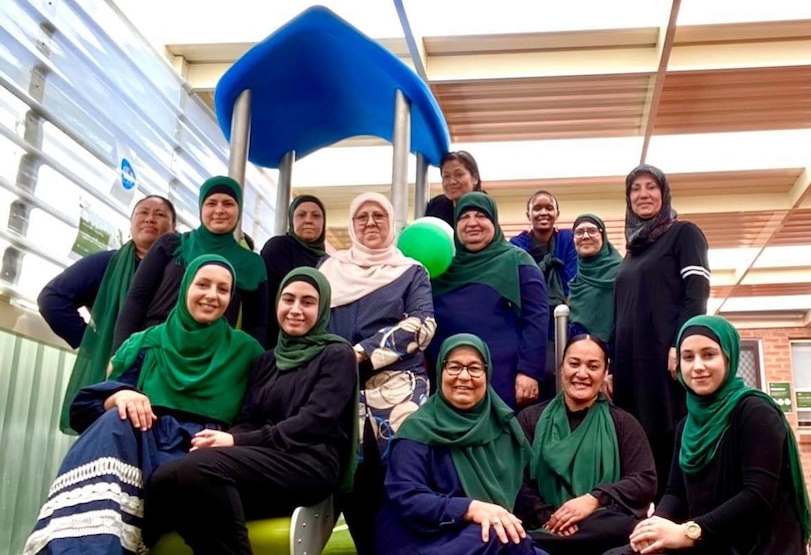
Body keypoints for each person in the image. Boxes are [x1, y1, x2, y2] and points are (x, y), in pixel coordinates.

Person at [23, 255, 264, 555]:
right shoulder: (148, 342)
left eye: (222, 289)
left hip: (199, 453)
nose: (212, 295)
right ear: (186, 287)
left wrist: (231, 439)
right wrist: (121, 395)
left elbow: (259, 415)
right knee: (114, 421)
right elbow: (85, 409)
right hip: (140, 443)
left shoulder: (248, 352)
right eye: (203, 284)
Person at [144, 267, 358, 555]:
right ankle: (140, 544)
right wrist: (215, 442)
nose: (295, 309)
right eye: (288, 299)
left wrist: (234, 442)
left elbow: (314, 422)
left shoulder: (337, 354)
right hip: (263, 461)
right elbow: (248, 419)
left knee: (201, 470)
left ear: (322, 310)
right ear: (277, 304)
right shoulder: (266, 361)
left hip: (309, 462)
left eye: (307, 302)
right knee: (166, 477)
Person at [603, 315, 811, 555]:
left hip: (757, 545)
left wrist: (688, 532)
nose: (697, 366)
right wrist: (655, 529)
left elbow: (757, 496)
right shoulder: (687, 425)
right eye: (688, 357)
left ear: (728, 357)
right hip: (709, 540)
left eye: (708, 355)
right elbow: (676, 492)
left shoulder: (755, 412)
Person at [318, 192, 436, 555]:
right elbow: (312, 323)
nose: (370, 223)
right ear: (352, 225)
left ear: (391, 223)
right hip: (341, 394)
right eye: (362, 217)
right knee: (350, 488)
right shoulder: (328, 271)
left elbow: (422, 325)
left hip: (399, 394)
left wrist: (360, 352)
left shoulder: (411, 271)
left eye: (379, 216)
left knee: (402, 486)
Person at [374, 333, 549, 555]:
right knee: (501, 536)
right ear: (440, 372)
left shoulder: (504, 428)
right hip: (422, 538)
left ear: (487, 374)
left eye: (474, 368)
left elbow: (521, 494)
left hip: (488, 533)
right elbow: (407, 496)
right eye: (454, 367)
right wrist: (469, 508)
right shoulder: (418, 430)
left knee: (515, 540)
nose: (464, 376)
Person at [38, 195, 176, 434]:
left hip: (166, 373)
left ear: (174, 228)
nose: (150, 219)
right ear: (131, 223)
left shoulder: (180, 270)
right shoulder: (106, 264)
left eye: (160, 214)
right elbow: (52, 299)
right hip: (115, 369)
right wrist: (93, 345)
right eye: (142, 213)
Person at [611, 164, 709, 497]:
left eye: (651, 187)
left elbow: (697, 293)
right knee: (634, 439)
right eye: (635, 189)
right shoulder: (631, 252)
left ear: (664, 193)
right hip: (628, 367)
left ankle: (676, 515)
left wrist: (682, 345)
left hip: (662, 360)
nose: (643, 194)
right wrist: (610, 366)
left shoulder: (684, 233)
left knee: (666, 435)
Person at [516, 334, 656, 555]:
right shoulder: (529, 419)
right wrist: (553, 519)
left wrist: (594, 499)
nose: (582, 374)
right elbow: (516, 482)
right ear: (562, 368)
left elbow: (644, 480)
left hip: (603, 528)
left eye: (593, 366)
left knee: (621, 527)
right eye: (574, 364)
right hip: (546, 529)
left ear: (604, 372)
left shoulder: (623, 423)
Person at [113, 176, 268, 350]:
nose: (219, 210)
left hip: (210, 361)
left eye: (228, 204)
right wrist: (120, 353)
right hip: (155, 350)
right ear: (201, 207)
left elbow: (257, 325)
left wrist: (252, 369)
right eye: (211, 203)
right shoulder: (172, 245)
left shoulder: (252, 264)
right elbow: (136, 299)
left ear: (239, 209)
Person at [430, 192, 547, 410]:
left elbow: (536, 318)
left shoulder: (517, 261)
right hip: (448, 381)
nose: (472, 223)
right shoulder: (443, 268)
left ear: (494, 221)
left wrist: (529, 371)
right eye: (464, 217)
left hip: (503, 378)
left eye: (481, 216)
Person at [510, 190, 577, 399]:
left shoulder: (567, 239)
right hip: (529, 321)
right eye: (537, 208)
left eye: (549, 207)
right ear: (528, 214)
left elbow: (571, 282)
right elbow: (522, 285)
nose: (543, 212)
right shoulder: (517, 245)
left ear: (557, 212)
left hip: (565, 319)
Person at [260, 195, 327, 348]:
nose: (309, 220)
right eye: (301, 215)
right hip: (276, 341)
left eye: (316, 215)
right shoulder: (278, 248)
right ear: (291, 220)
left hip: (316, 344)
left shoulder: (331, 263)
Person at [567, 214, 623, 345]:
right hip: (579, 348)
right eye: (579, 232)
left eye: (592, 231)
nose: (585, 236)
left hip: (613, 348)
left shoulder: (621, 271)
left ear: (603, 236)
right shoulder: (575, 273)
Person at [425, 150, 483, 227]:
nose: (452, 182)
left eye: (459, 174)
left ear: (475, 178)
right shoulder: (436, 207)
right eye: (446, 176)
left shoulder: (484, 207)